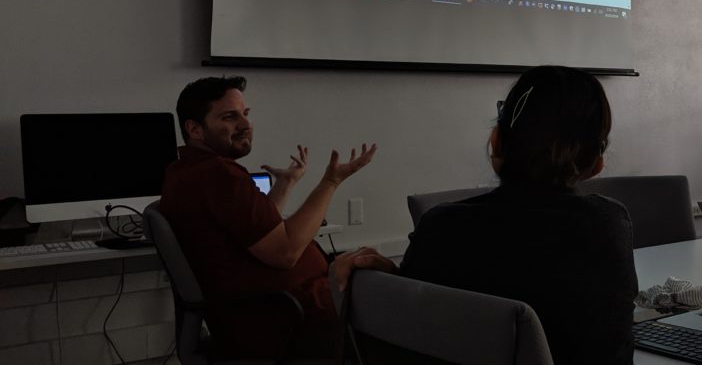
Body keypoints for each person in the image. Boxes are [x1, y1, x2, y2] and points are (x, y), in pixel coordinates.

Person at [395, 65, 637, 365]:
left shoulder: (438, 228)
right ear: (596, 163)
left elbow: (403, 319)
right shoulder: (607, 225)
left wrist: (388, 276)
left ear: (496, 142)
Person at [160, 76, 377, 359]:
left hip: (268, 312)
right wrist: (331, 182)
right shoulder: (219, 176)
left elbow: (257, 231)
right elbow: (285, 251)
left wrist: (284, 185)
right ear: (195, 129)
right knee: (394, 287)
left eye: (246, 114)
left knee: (371, 264)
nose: (245, 124)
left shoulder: (186, 172)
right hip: (289, 320)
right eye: (229, 116)